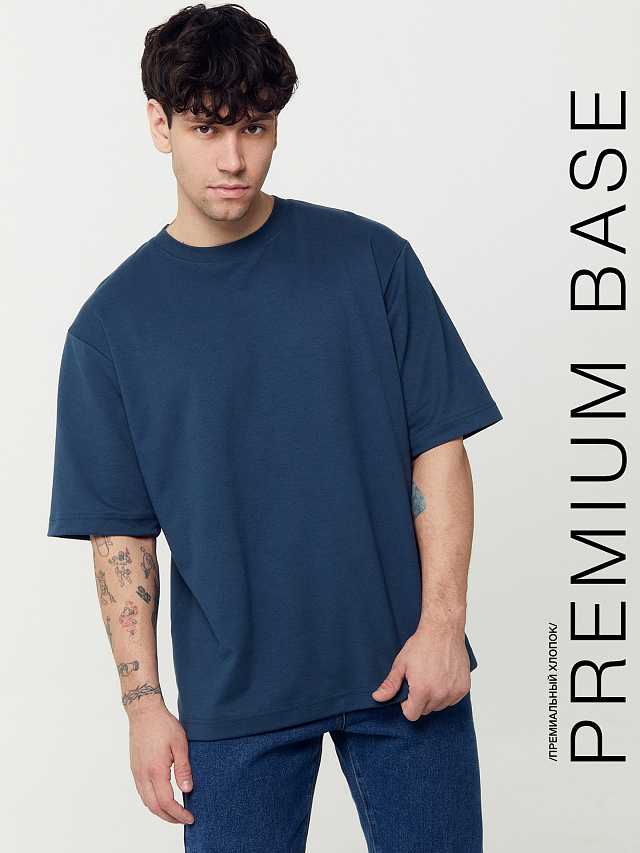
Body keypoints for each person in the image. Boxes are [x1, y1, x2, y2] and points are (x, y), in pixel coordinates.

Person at [47, 4, 502, 851]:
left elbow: (439, 444)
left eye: (254, 127)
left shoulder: (371, 261)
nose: (233, 158)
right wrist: (144, 706)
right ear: (160, 126)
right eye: (206, 128)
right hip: (234, 702)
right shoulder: (111, 328)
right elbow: (121, 536)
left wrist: (443, 625)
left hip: (405, 670)